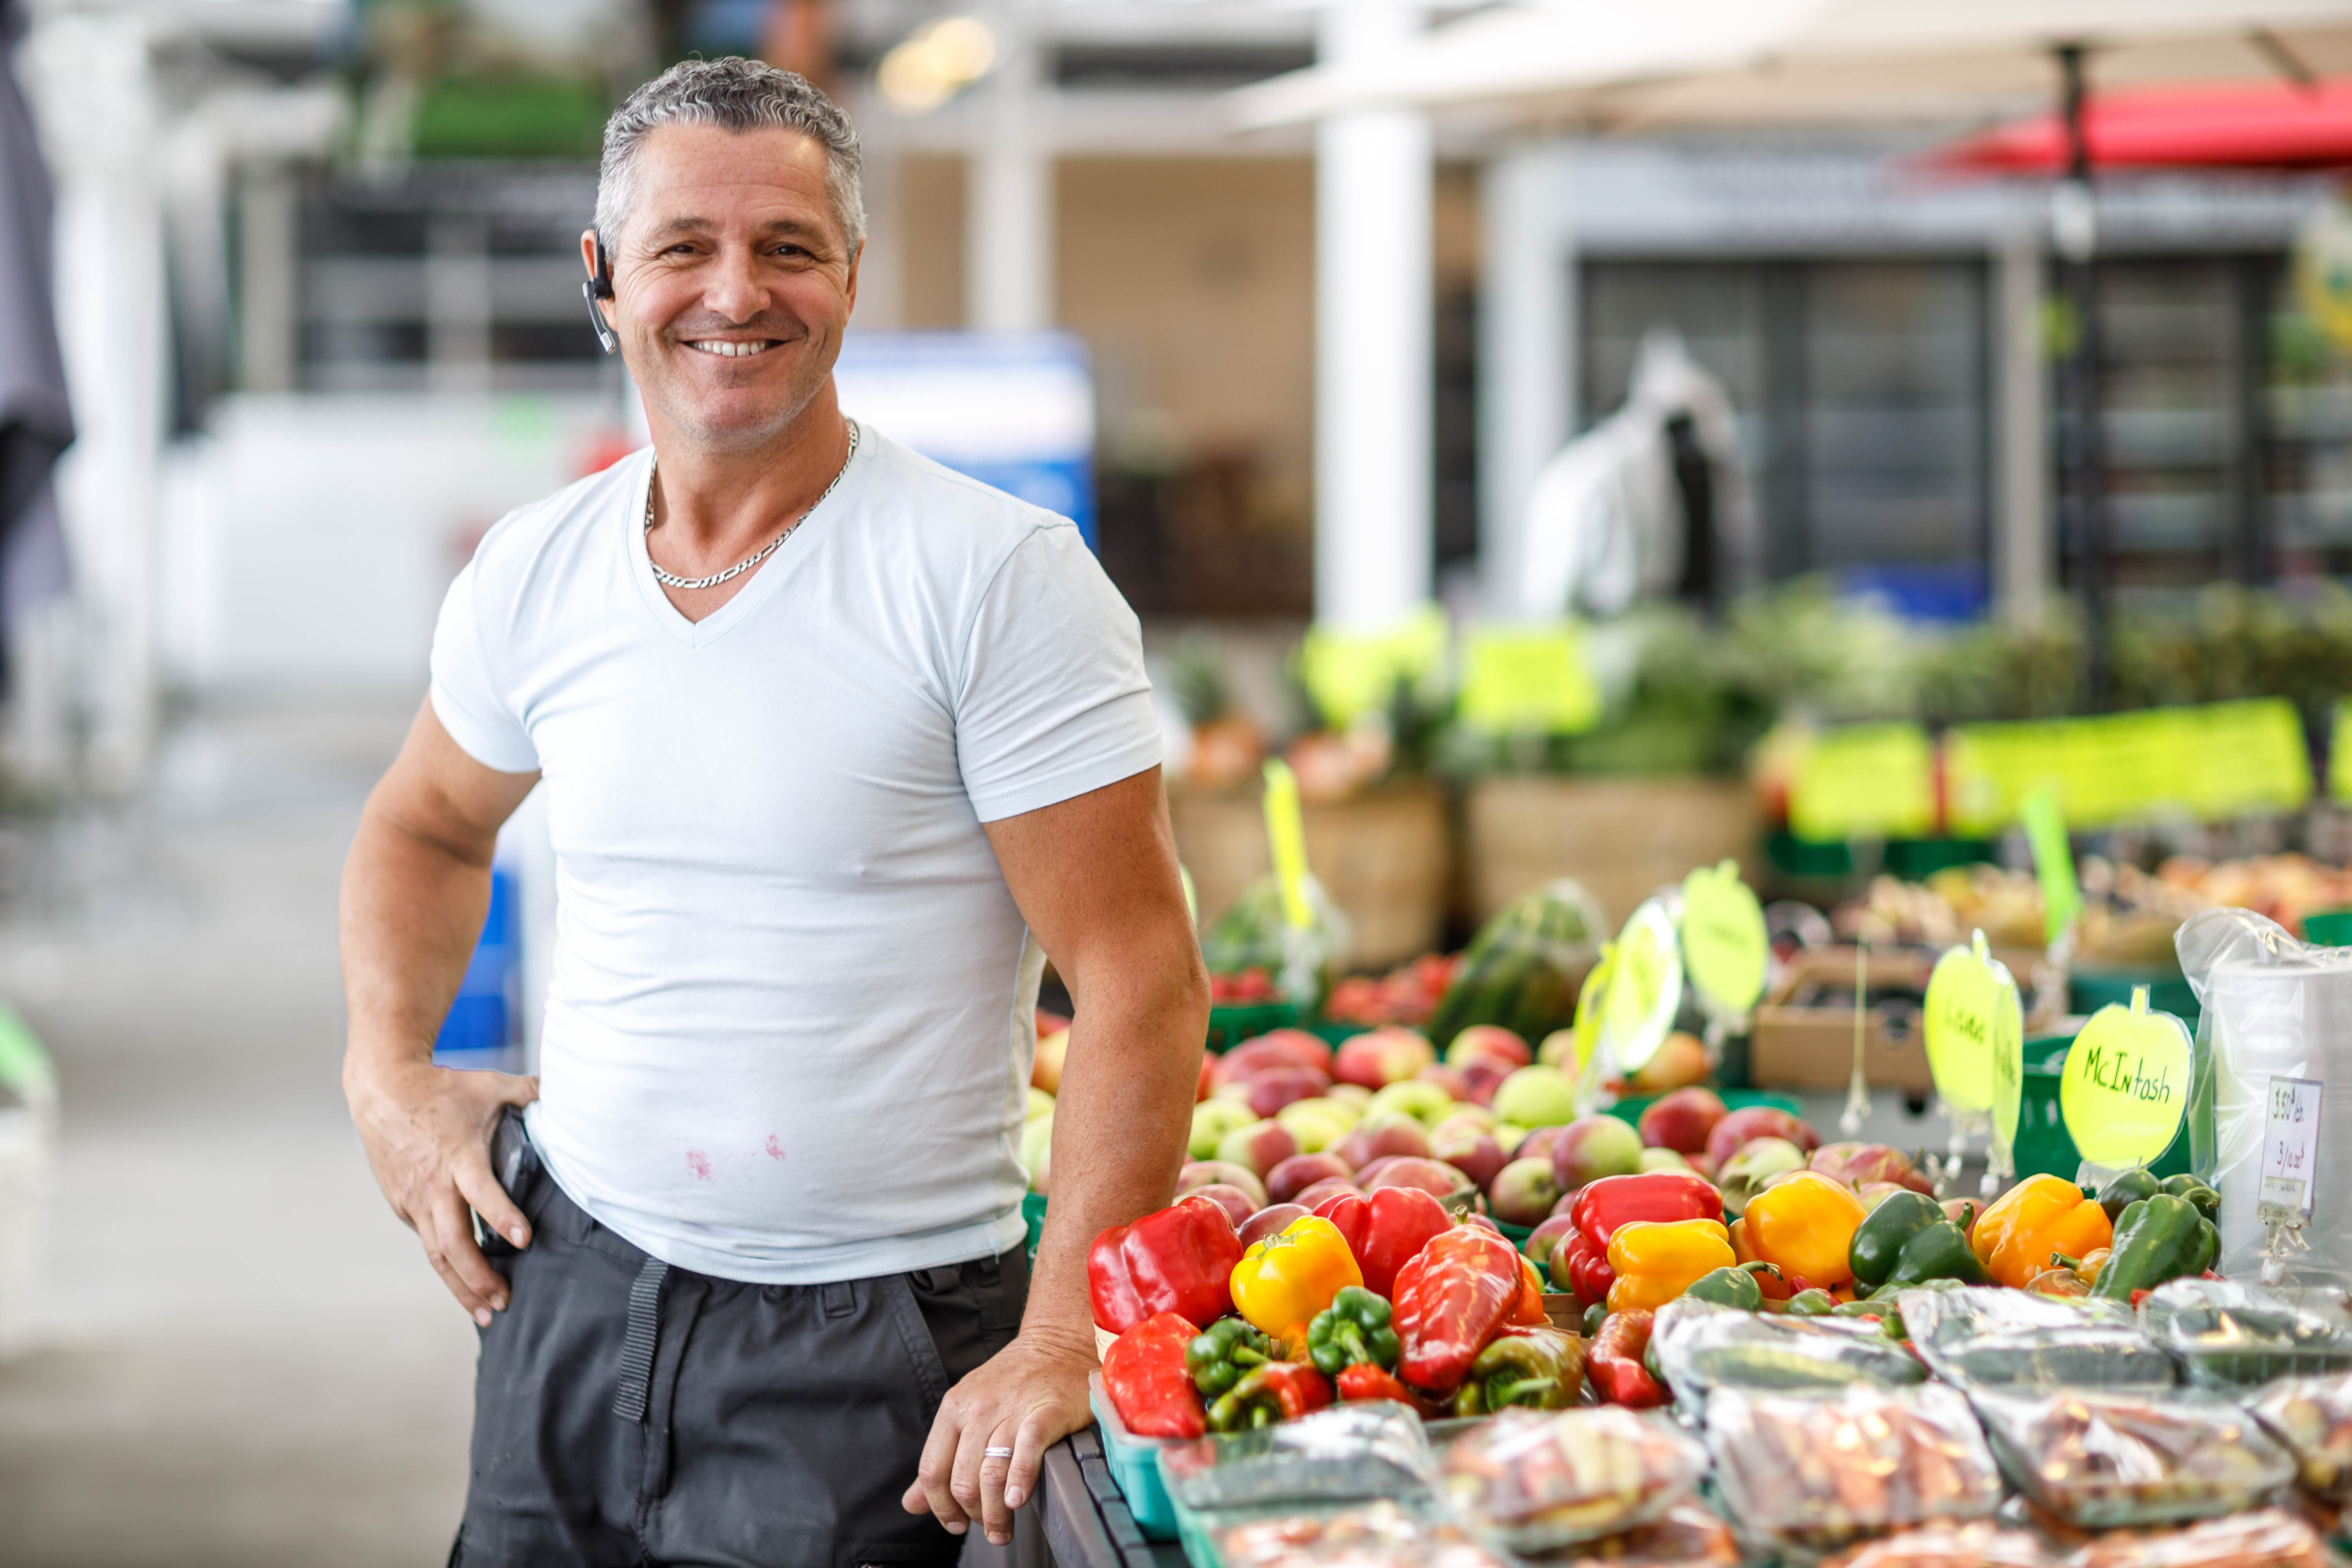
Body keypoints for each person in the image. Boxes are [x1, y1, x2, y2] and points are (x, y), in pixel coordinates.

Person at [338, 57, 1206, 1567]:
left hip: (873, 1343)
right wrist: (389, 1076)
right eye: (684, 246)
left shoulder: (995, 578)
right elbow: (424, 824)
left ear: (852, 275)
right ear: (605, 278)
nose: (735, 293)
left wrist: (1066, 1330)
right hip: (569, 1288)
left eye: (788, 248)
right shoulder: (535, 570)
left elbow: (1141, 975)